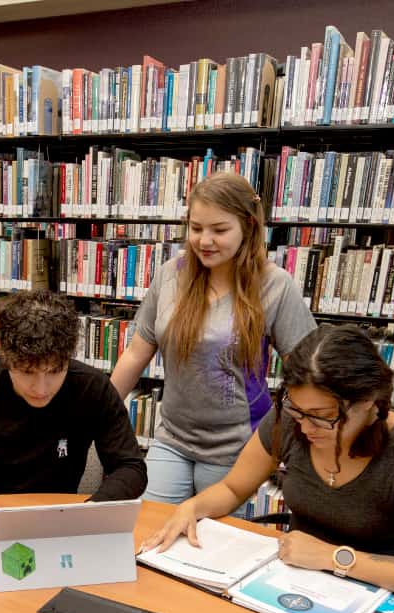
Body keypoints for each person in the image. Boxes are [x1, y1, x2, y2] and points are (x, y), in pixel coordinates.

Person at [141, 325, 394, 607]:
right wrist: (193, 506)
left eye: (324, 417)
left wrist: (334, 558)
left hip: (380, 598)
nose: (303, 427)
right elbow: (233, 488)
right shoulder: (292, 420)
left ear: (370, 402)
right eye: (296, 410)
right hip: (293, 584)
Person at [110, 172, 316, 508]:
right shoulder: (169, 275)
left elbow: (307, 371)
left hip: (236, 446)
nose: (205, 240)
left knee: (213, 547)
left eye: (219, 230)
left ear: (248, 226)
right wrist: (99, 411)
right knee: (150, 530)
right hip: (172, 436)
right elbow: (136, 354)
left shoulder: (275, 286)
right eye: (196, 228)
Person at [0, 289, 147, 547]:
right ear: (5, 357)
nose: (42, 388)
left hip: (56, 521)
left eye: (55, 371)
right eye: (27, 372)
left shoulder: (93, 388)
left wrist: (90, 512)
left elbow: (131, 467)